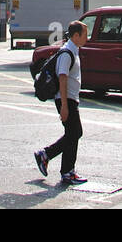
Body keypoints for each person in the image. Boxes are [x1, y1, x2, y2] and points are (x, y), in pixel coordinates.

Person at [33, 20, 89, 185]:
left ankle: (50, 159)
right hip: (66, 100)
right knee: (75, 133)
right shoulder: (66, 53)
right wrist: (64, 105)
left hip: (71, 99)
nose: (87, 37)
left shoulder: (74, 50)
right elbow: (62, 78)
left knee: (74, 134)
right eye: (85, 34)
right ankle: (65, 170)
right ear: (76, 35)